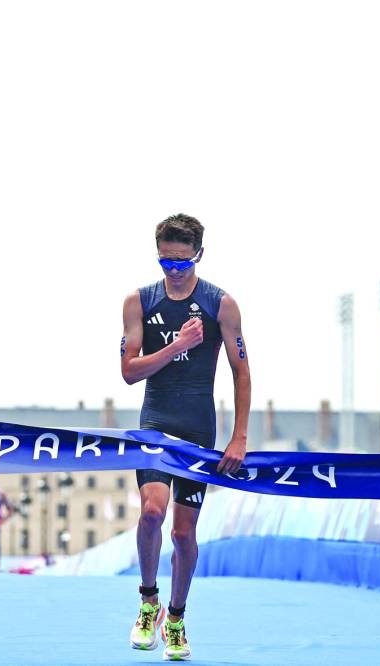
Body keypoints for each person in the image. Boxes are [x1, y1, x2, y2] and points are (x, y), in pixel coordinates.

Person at [120, 213, 251, 661]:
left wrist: (239, 438)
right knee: (152, 513)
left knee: (183, 533)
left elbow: (241, 371)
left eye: (182, 262)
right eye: (166, 262)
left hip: (198, 426)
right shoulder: (139, 302)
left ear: (198, 255)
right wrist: (177, 346)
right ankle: (147, 601)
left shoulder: (221, 304)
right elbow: (128, 373)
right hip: (155, 420)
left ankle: (175, 618)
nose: (174, 271)